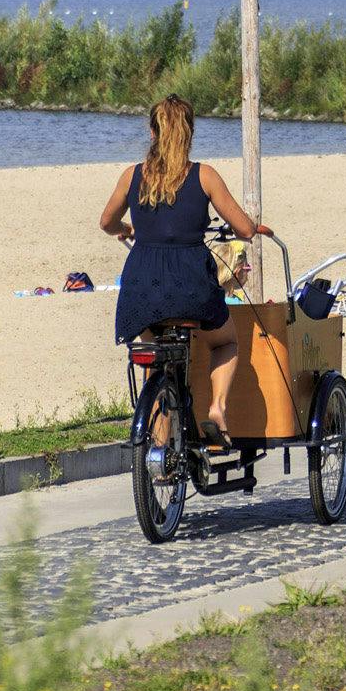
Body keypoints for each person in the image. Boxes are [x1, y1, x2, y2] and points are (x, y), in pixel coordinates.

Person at [99, 94, 271, 447]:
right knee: (225, 343)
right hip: (190, 281)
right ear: (189, 133)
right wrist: (252, 229)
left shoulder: (131, 176)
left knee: (156, 363)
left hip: (142, 282)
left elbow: (106, 221)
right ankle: (218, 409)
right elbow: (244, 228)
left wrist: (126, 228)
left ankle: (160, 450)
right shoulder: (204, 176)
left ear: (152, 133)